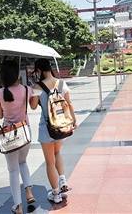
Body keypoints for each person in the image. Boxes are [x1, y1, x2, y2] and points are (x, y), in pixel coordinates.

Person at [29, 58, 77, 204]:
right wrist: (74, 120)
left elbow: (32, 106)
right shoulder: (61, 83)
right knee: (57, 153)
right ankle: (62, 181)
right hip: (61, 125)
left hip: (46, 128)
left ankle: (56, 193)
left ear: (39, 71)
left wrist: (33, 90)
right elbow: (69, 103)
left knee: (49, 162)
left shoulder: (38, 86)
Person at [0, 60, 35, 214]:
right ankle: (29, 193)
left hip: (9, 134)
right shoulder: (26, 89)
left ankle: (17, 206)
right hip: (25, 131)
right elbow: (33, 105)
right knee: (23, 162)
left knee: (13, 171)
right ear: (17, 74)